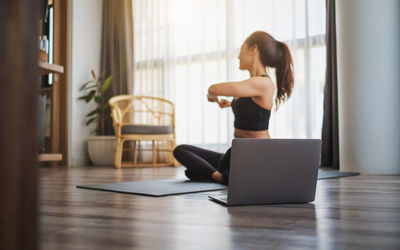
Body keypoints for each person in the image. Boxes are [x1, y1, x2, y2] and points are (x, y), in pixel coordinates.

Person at [173, 31, 294, 184]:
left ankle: (219, 176)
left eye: (241, 49)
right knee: (182, 151)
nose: (238, 56)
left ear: (253, 49)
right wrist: (231, 103)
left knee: (194, 171)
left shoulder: (263, 83)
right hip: (237, 153)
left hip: (256, 155)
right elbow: (255, 109)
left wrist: (212, 93)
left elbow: (214, 88)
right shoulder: (250, 85)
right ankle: (221, 174)